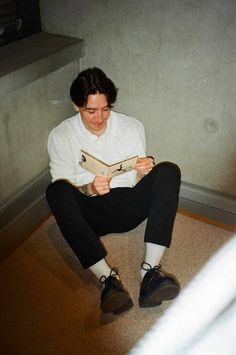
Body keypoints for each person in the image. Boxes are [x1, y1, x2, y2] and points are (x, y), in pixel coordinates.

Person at [46, 67, 181, 315]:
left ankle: (150, 272)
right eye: (90, 111)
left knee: (168, 171)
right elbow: (64, 187)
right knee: (55, 192)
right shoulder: (61, 135)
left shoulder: (131, 126)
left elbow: (134, 182)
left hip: (127, 206)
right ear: (76, 106)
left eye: (105, 109)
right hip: (90, 217)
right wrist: (89, 188)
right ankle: (108, 281)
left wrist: (143, 172)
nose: (99, 118)